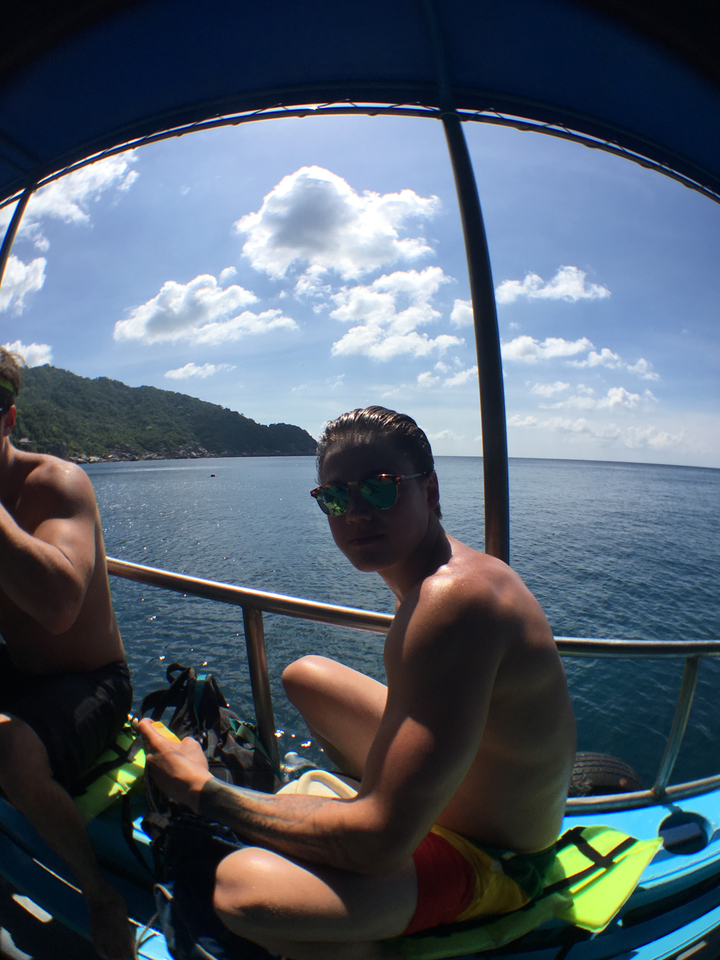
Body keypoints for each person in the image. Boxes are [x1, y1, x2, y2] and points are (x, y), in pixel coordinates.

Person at [139, 405, 576, 960]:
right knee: (307, 677)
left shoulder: (453, 602)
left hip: (497, 859)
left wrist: (203, 791)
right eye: (337, 497)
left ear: (431, 491)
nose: (356, 513)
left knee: (243, 890)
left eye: (380, 488)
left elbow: (379, 844)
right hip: (471, 800)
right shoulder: (442, 579)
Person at [0, 348, 135, 959]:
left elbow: (57, 606)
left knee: (4, 745)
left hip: (92, 682)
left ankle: (102, 895)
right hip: (19, 672)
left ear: (8, 418)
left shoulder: (54, 483)